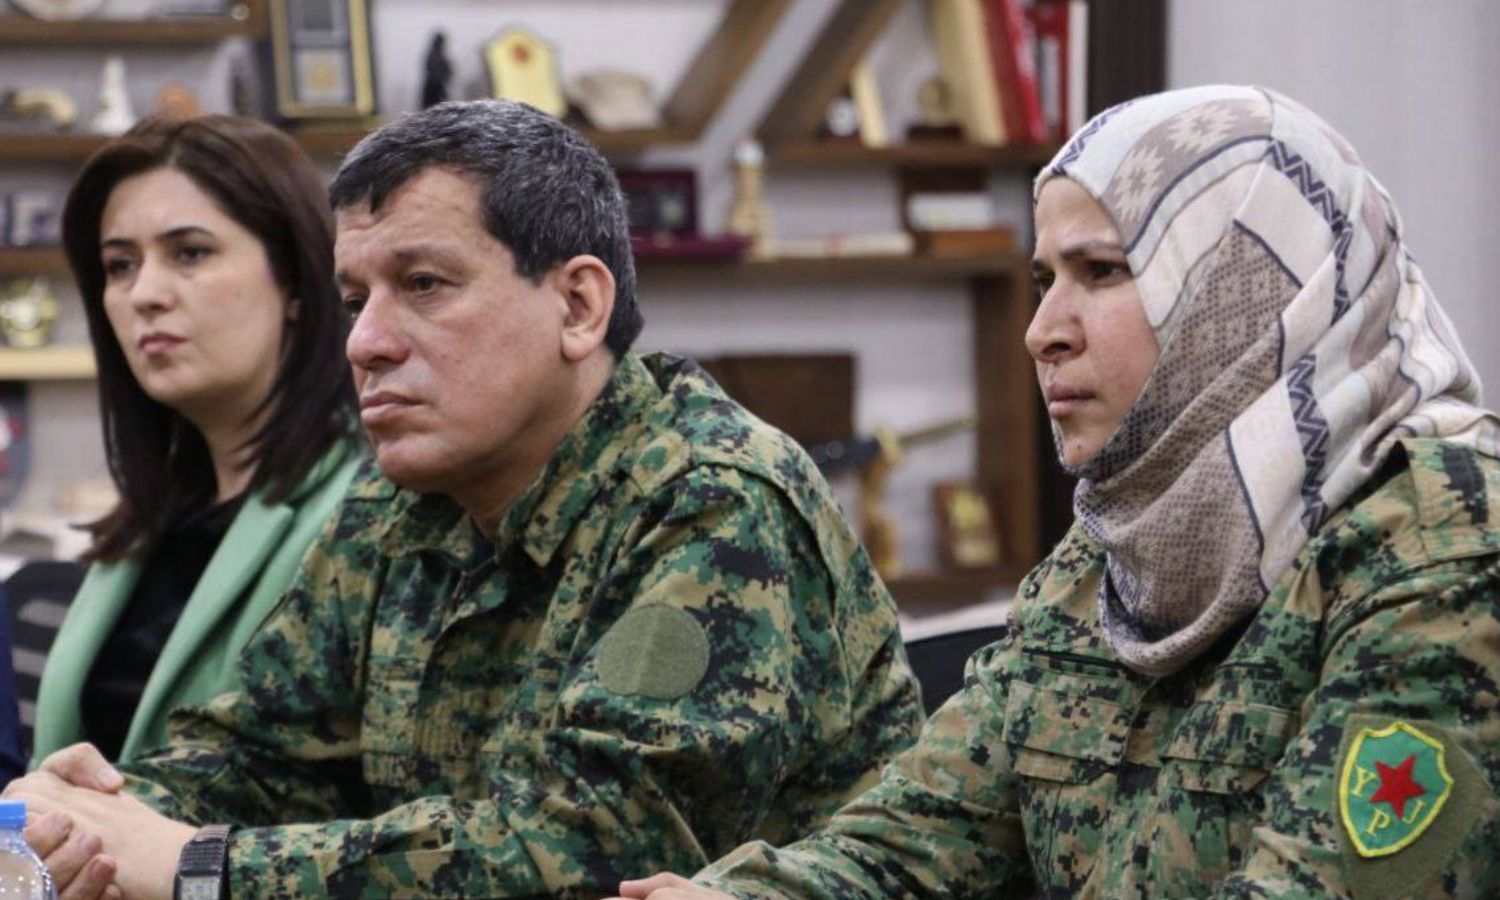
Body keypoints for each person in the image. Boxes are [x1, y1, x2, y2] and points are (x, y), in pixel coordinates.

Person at [8, 99, 923, 900]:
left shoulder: (713, 504)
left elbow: (595, 850)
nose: (363, 342)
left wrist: (198, 867)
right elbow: (258, 750)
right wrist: (87, 820)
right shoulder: (400, 503)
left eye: (423, 286)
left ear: (577, 307)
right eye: (355, 296)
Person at [611, 85, 1500, 898]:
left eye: (1103, 272)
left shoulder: (1443, 540)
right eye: (1044, 281)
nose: (1042, 331)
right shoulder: (1113, 547)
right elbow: (917, 841)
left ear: (1246, 290)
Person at [32, 116, 361, 767]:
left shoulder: (365, 509)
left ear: (294, 279)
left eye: (190, 253)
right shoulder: (152, 523)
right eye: (119, 265)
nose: (145, 295)